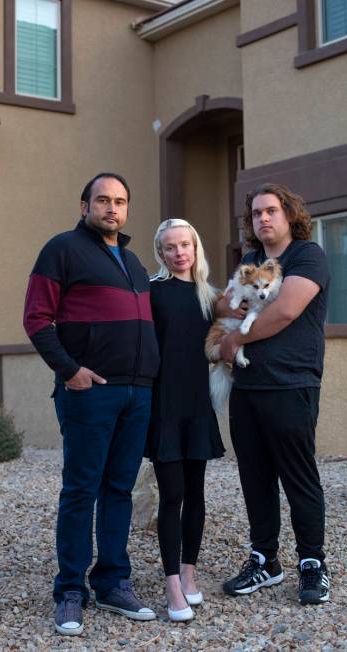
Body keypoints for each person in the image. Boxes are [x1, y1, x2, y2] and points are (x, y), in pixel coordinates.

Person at [23, 172, 160, 636]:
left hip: (137, 392)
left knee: (120, 489)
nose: (112, 208)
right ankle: (69, 591)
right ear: (85, 206)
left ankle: (113, 583)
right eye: (103, 200)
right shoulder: (62, 249)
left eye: (120, 201)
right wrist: (69, 369)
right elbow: (37, 317)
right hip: (89, 391)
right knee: (81, 490)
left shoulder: (136, 261)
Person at [218, 183, 330, 605]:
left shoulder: (307, 256)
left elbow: (284, 311)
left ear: (288, 215)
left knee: (298, 478)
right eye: (256, 214)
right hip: (247, 386)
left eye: (271, 211)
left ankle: (312, 564)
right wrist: (226, 310)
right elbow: (224, 303)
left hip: (291, 383)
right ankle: (265, 560)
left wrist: (232, 344)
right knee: (255, 478)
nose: (262, 219)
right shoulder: (249, 261)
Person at [145, 218, 225, 622]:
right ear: (160, 253)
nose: (179, 253)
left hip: (198, 407)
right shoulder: (151, 292)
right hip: (165, 408)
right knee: (172, 496)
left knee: (197, 496)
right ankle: (172, 583)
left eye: (185, 245)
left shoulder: (209, 296)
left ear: (196, 248)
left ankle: (190, 574)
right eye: (170, 247)